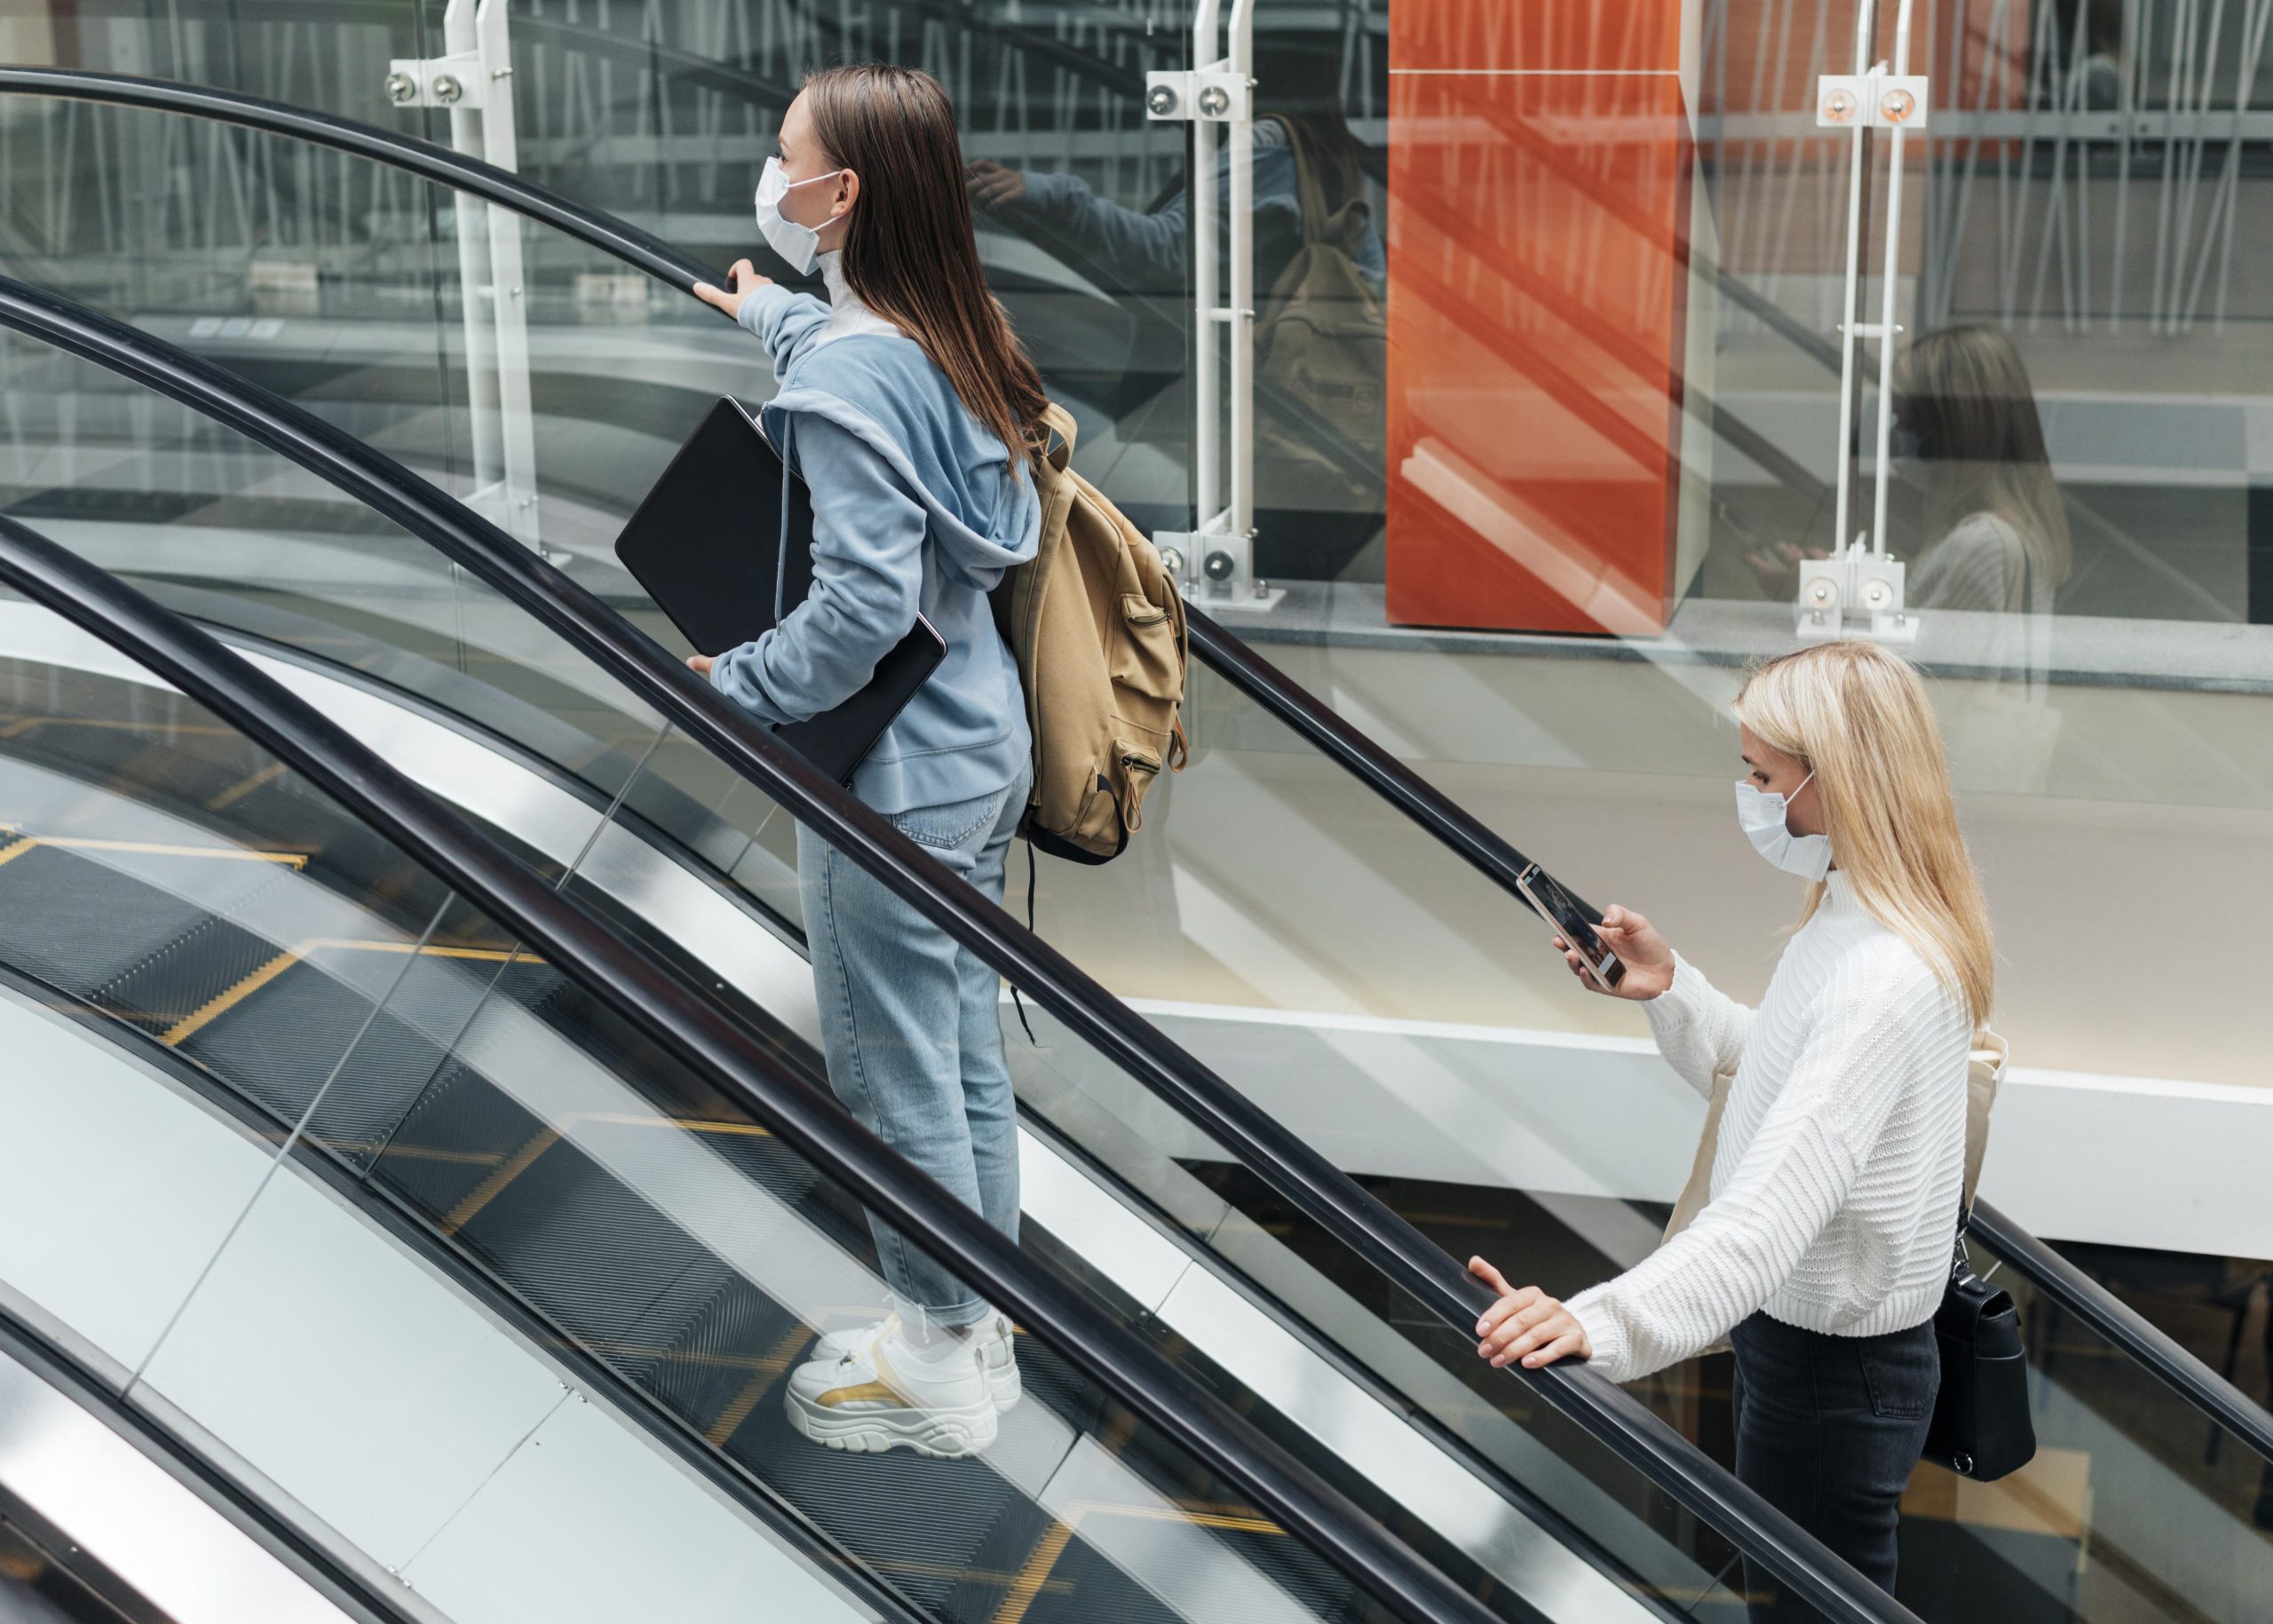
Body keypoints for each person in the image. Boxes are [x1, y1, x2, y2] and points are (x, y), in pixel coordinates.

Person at [1468, 639, 1992, 1620]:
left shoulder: (1881, 977)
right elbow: (1787, 1077)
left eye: (1763, 776)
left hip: (1830, 1373)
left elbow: (1764, 1218)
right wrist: (1672, 990)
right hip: (1802, 1347)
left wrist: (1600, 1322)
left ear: (1842, 780)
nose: (1749, 796)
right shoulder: (1861, 913)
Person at [689, 61, 1046, 1460]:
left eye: (786, 159)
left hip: (888, 779)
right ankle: (982, 1317)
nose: (771, 179)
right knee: (958, 1050)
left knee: (893, 1075)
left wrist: (741, 687)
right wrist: (770, 311)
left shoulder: (854, 371)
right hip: (980, 747)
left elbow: (859, 610)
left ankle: (936, 1358)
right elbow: (858, 362)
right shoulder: (957, 329)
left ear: (839, 193)